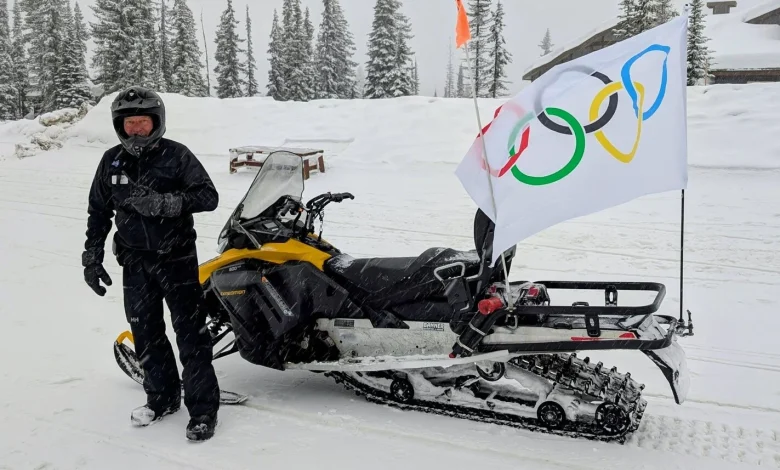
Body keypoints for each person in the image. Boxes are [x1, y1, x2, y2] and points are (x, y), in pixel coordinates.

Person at [81, 86, 220, 442]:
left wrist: (165, 203)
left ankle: (203, 410)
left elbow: (208, 196)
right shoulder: (112, 161)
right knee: (146, 333)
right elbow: (98, 211)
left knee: (191, 334)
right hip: (134, 263)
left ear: (156, 122)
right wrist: (91, 258)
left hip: (177, 259)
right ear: (119, 126)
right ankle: (161, 398)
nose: (136, 130)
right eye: (130, 124)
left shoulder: (177, 155)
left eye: (142, 123)